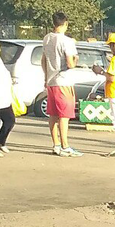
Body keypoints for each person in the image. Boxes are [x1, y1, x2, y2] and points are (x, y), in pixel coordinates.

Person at [41, 12, 80, 156]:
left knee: (53, 114)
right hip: (63, 81)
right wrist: (76, 60)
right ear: (65, 24)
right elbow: (70, 63)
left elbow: (43, 60)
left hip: (51, 81)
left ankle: (56, 144)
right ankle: (65, 146)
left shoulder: (46, 39)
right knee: (64, 115)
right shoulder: (67, 41)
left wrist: (46, 78)